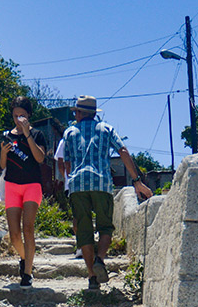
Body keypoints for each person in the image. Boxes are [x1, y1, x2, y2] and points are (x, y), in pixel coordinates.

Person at [61, 95, 152, 289]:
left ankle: (92, 277)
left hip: (78, 185)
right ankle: (100, 259)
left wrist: (73, 182)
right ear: (94, 113)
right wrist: (136, 181)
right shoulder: (106, 129)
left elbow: (66, 163)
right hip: (101, 183)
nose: (75, 115)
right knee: (105, 227)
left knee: (84, 231)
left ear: (80, 113)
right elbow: (123, 152)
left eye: (76, 112)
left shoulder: (69, 132)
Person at [0, 96, 47, 286]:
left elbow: (40, 158)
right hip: (12, 185)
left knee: (28, 228)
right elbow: (2, 165)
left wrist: (27, 134)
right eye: (15, 115)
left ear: (29, 115)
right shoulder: (6, 135)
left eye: (22, 115)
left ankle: (27, 273)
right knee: (14, 235)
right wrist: (3, 153)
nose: (18, 119)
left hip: (32, 185)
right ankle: (26, 259)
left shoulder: (37, 134)